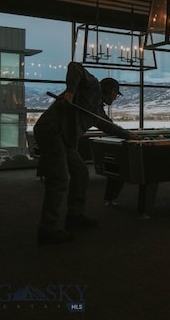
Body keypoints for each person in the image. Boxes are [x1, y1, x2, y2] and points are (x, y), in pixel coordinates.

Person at [34, 62, 138, 245]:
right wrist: (70, 92)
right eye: (116, 94)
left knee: (81, 173)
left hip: (65, 139)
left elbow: (109, 126)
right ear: (112, 91)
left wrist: (129, 135)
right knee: (58, 179)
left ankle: (75, 215)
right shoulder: (92, 85)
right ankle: (47, 229)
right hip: (51, 130)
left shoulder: (97, 111)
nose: (115, 98)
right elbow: (75, 66)